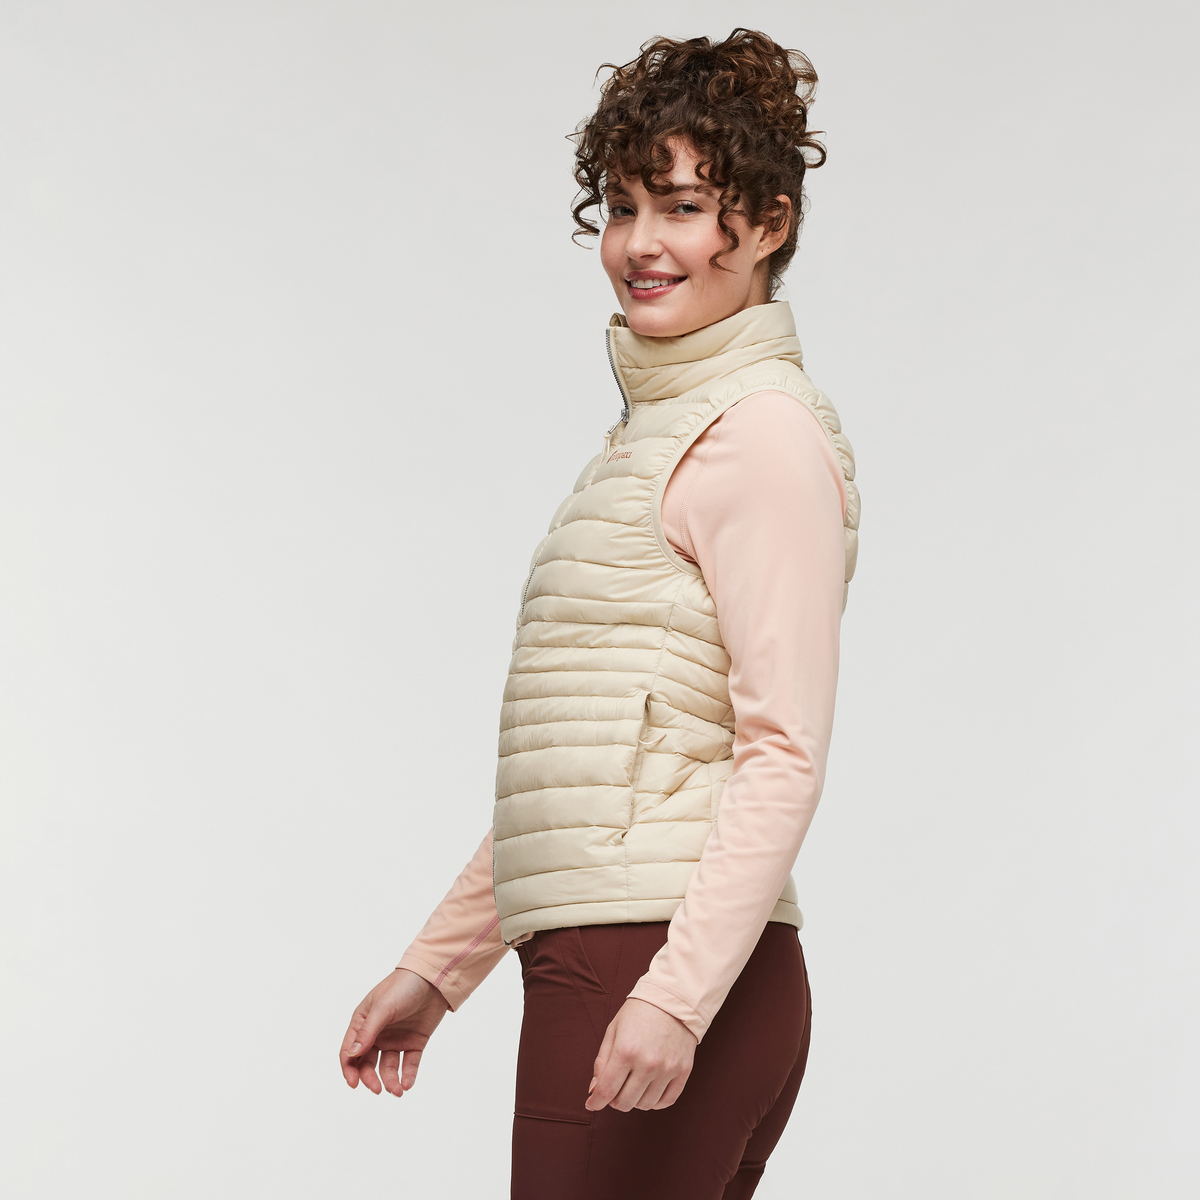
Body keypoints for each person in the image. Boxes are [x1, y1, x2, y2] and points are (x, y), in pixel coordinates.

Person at [339, 28, 860, 1200]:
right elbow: (588, 775)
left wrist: (676, 997)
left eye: (681, 206)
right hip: (623, 956)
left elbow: (784, 748)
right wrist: (441, 966)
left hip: (661, 966)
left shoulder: (756, 435)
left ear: (767, 224)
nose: (639, 244)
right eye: (622, 207)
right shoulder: (655, 442)